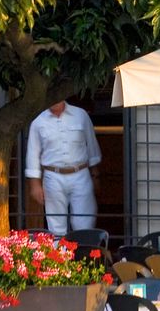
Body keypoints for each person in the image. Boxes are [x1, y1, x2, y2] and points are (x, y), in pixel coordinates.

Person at [25, 101, 102, 237]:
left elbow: (92, 146)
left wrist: (95, 175)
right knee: (56, 226)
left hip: (81, 174)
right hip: (53, 176)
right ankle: (59, 257)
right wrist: (35, 184)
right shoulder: (38, 121)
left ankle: (83, 255)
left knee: (84, 222)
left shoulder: (81, 115)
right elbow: (33, 154)